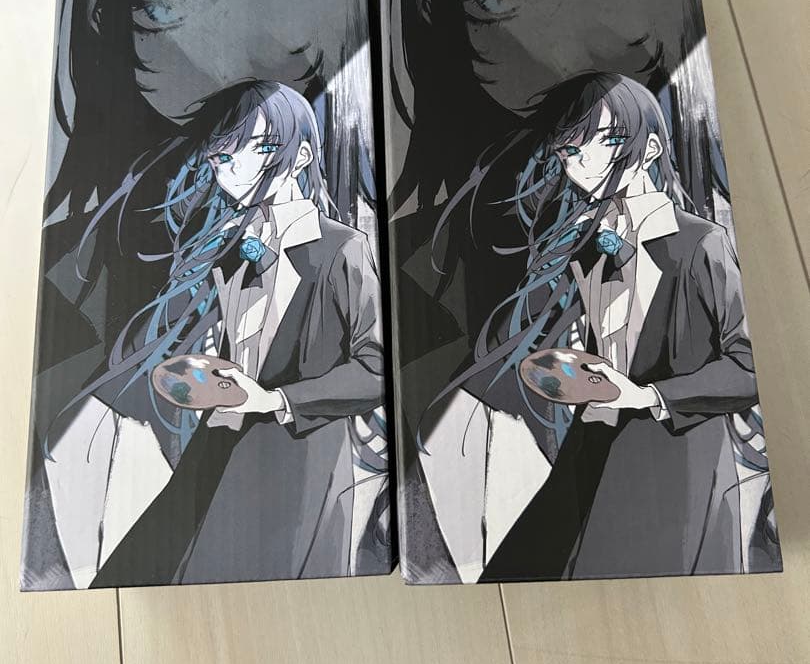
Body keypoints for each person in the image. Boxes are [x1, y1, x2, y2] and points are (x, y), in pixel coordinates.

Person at [45, 79, 385, 586]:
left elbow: (377, 370)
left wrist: (275, 400)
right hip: (218, 441)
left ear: (301, 155)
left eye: (259, 148)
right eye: (223, 158)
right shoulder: (231, 247)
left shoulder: (342, 248)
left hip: (297, 458)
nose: (237, 168)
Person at [426, 71, 761, 581]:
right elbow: (517, 339)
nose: (581, 161)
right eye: (568, 149)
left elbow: (750, 367)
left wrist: (648, 396)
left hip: (675, 457)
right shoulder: (586, 242)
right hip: (590, 447)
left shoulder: (700, 244)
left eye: (600, 141)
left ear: (649, 150)